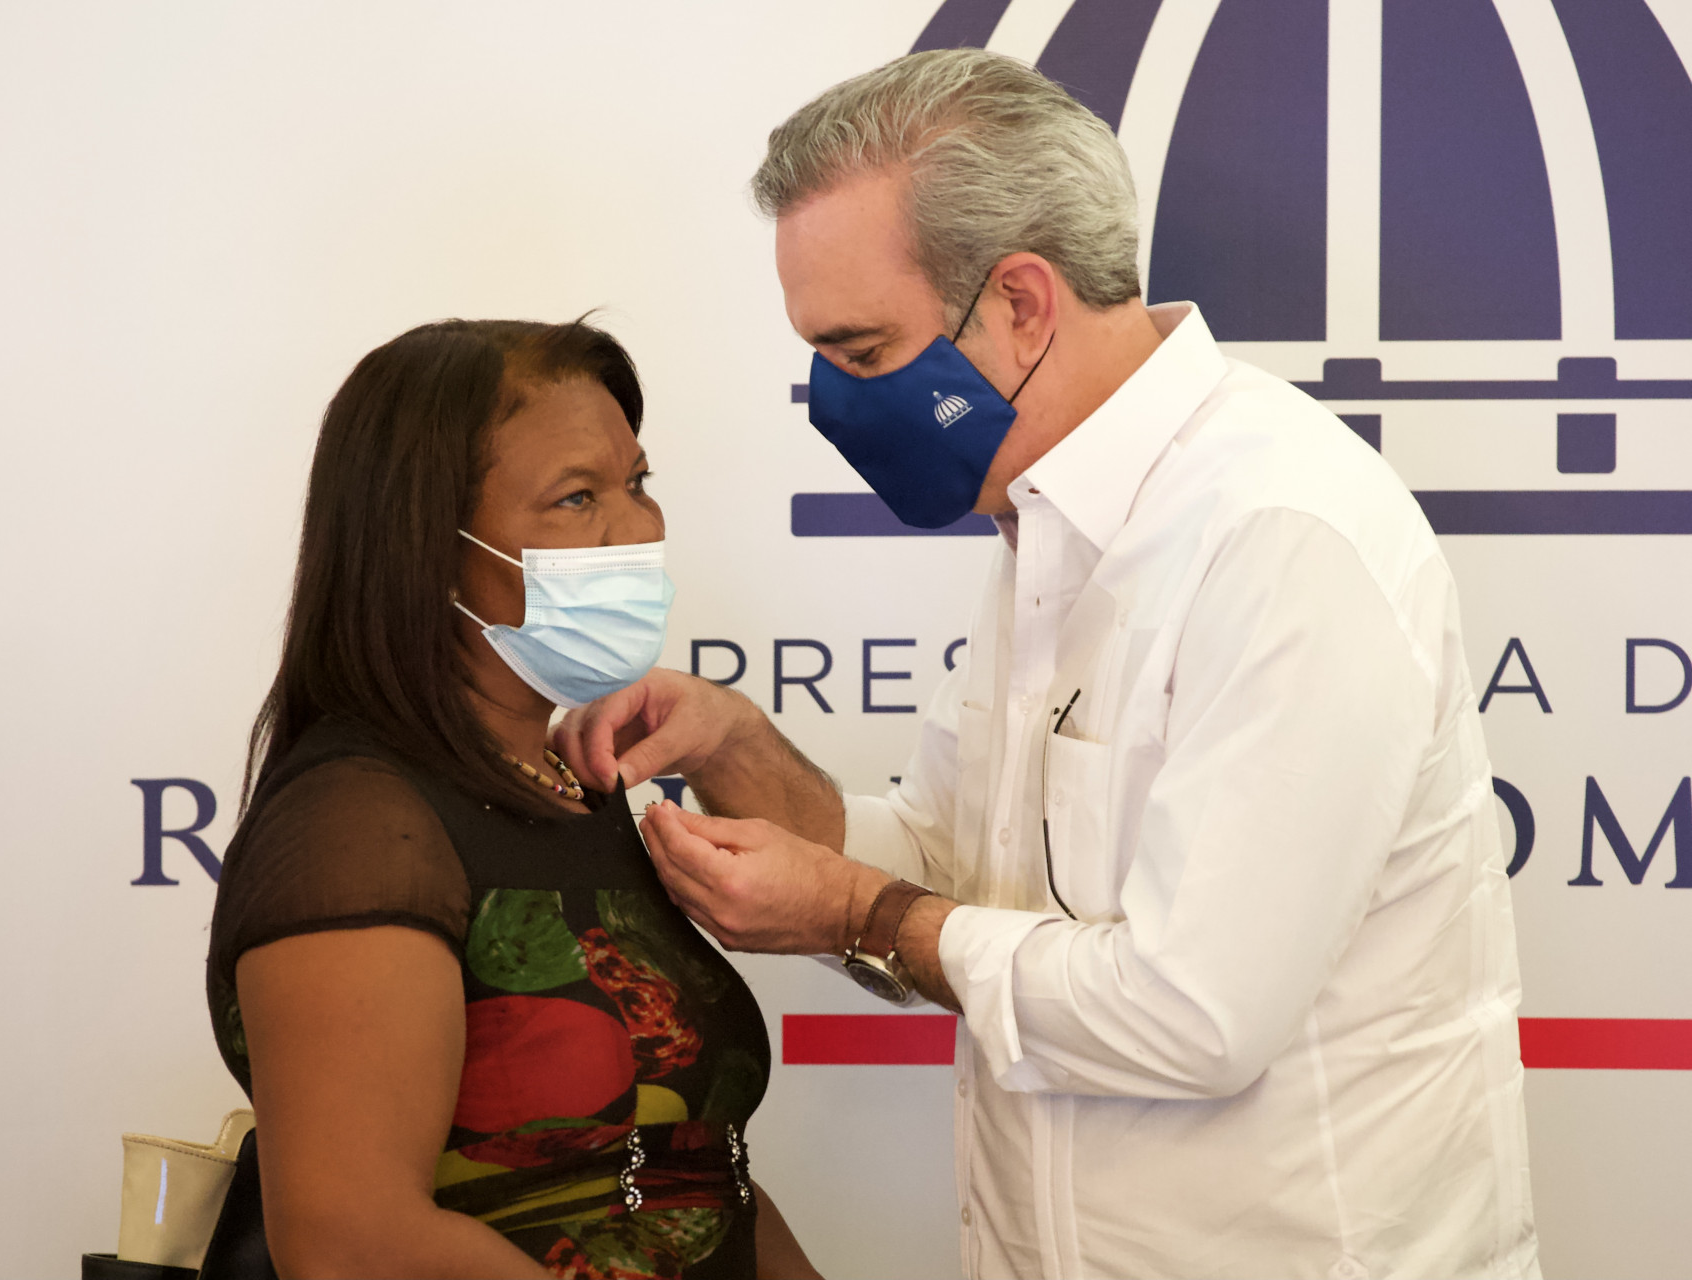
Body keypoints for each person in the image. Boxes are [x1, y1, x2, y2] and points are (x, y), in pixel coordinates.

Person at [554, 50, 1539, 1279]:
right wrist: (737, 747)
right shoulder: (1043, 523)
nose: (833, 402)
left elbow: (1194, 1013)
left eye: (862, 353)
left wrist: (852, 911)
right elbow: (956, 872)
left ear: (1022, 302)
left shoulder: (1279, 533)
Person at [204, 318, 819, 1279]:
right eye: (577, 498)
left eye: (638, 483)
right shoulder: (357, 826)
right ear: (425, 544)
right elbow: (352, 1242)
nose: (638, 529)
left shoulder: (579, 787)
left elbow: (691, 1179)